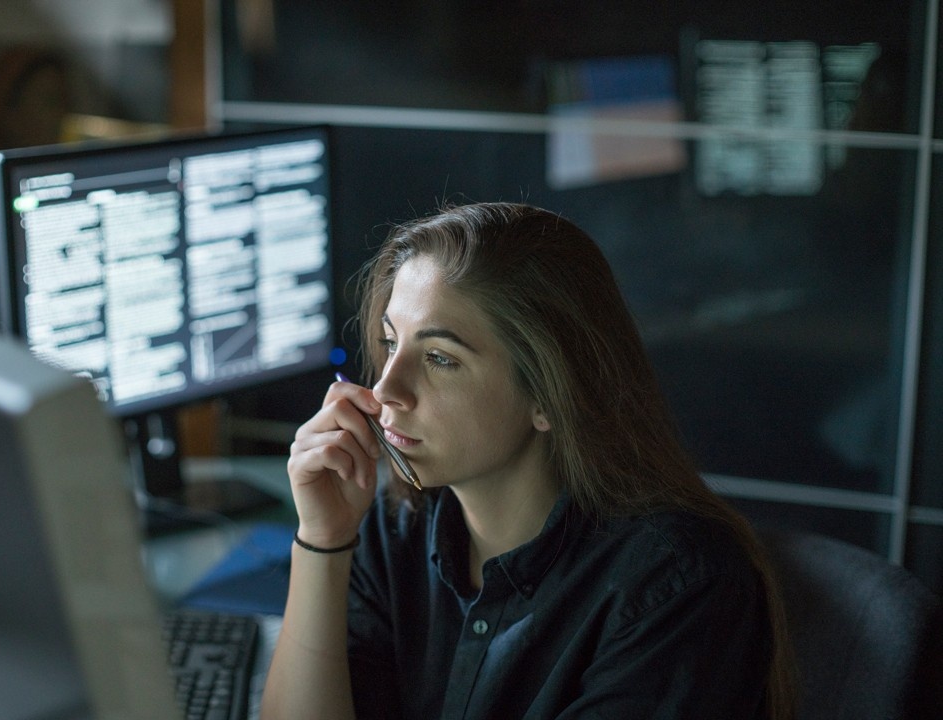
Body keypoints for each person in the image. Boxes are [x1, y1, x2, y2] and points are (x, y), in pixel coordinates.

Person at [261, 202, 796, 719]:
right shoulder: (393, 528)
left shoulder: (678, 587)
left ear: (548, 395)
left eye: (440, 359)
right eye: (389, 342)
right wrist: (323, 540)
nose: (385, 388)